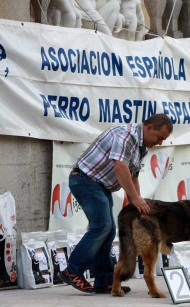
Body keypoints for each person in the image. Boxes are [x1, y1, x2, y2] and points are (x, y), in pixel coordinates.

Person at [58, 114, 173, 294]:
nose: (159, 142)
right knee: (102, 226)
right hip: (85, 180)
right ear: (150, 127)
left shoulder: (141, 146)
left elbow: (133, 175)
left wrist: (138, 202)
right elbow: (120, 167)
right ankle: (73, 270)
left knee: (109, 230)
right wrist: (134, 198)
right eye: (160, 137)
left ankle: (104, 281)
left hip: (100, 185)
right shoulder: (125, 136)